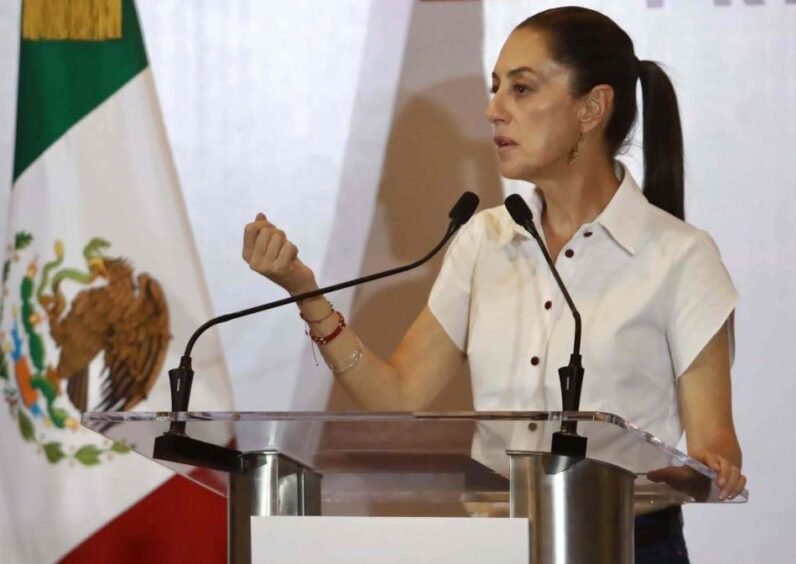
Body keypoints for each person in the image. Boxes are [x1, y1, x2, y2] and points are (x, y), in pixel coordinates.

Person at [242, 7, 746, 562]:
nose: (493, 110)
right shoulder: (485, 239)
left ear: (592, 108)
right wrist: (307, 295)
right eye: (495, 87)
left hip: (626, 544)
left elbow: (714, 446)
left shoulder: (681, 257)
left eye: (521, 89)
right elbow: (399, 394)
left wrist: (711, 468)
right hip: (498, 544)